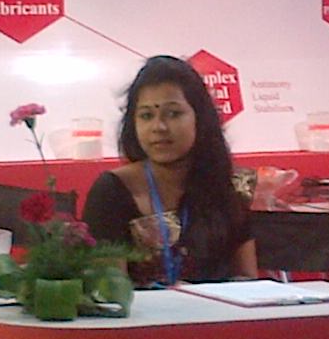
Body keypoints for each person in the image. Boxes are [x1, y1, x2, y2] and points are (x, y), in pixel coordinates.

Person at [81, 56, 257, 285]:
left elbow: (247, 281)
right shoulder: (112, 191)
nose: (159, 127)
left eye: (173, 114)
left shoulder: (229, 186)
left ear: (200, 119)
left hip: (220, 308)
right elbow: (108, 291)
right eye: (146, 116)